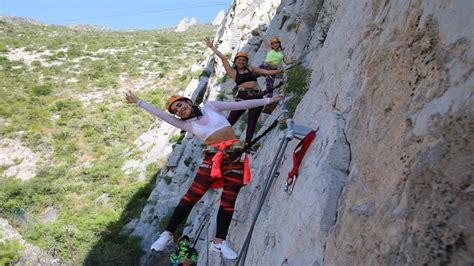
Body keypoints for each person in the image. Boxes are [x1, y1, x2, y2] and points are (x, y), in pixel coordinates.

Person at [125, 90, 284, 260]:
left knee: (229, 200)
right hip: (212, 159)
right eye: (175, 111)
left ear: (189, 102)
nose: (179, 110)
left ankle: (219, 242)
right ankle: (167, 234)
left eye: (180, 105)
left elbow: (241, 105)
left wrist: (269, 100)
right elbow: (162, 115)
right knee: (191, 196)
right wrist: (139, 101)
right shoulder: (186, 125)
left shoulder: (212, 106)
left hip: (235, 156)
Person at [203, 37, 286, 150]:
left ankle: (247, 144)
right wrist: (212, 47)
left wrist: (279, 71)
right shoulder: (232, 72)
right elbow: (223, 59)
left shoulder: (251, 69)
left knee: (252, 122)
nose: (241, 62)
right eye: (239, 60)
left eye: (243, 60)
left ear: (246, 62)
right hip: (243, 96)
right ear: (236, 61)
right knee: (231, 120)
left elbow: (266, 72)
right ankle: (216, 139)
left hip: (257, 96)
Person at [258, 31, 294, 97]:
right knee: (253, 74)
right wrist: (261, 34)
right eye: (273, 44)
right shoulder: (269, 49)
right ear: (271, 45)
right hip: (264, 67)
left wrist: (294, 61)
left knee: (270, 85)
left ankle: (269, 99)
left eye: (276, 43)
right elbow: (264, 40)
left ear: (279, 44)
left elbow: (287, 62)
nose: (275, 45)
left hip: (272, 70)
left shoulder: (282, 53)